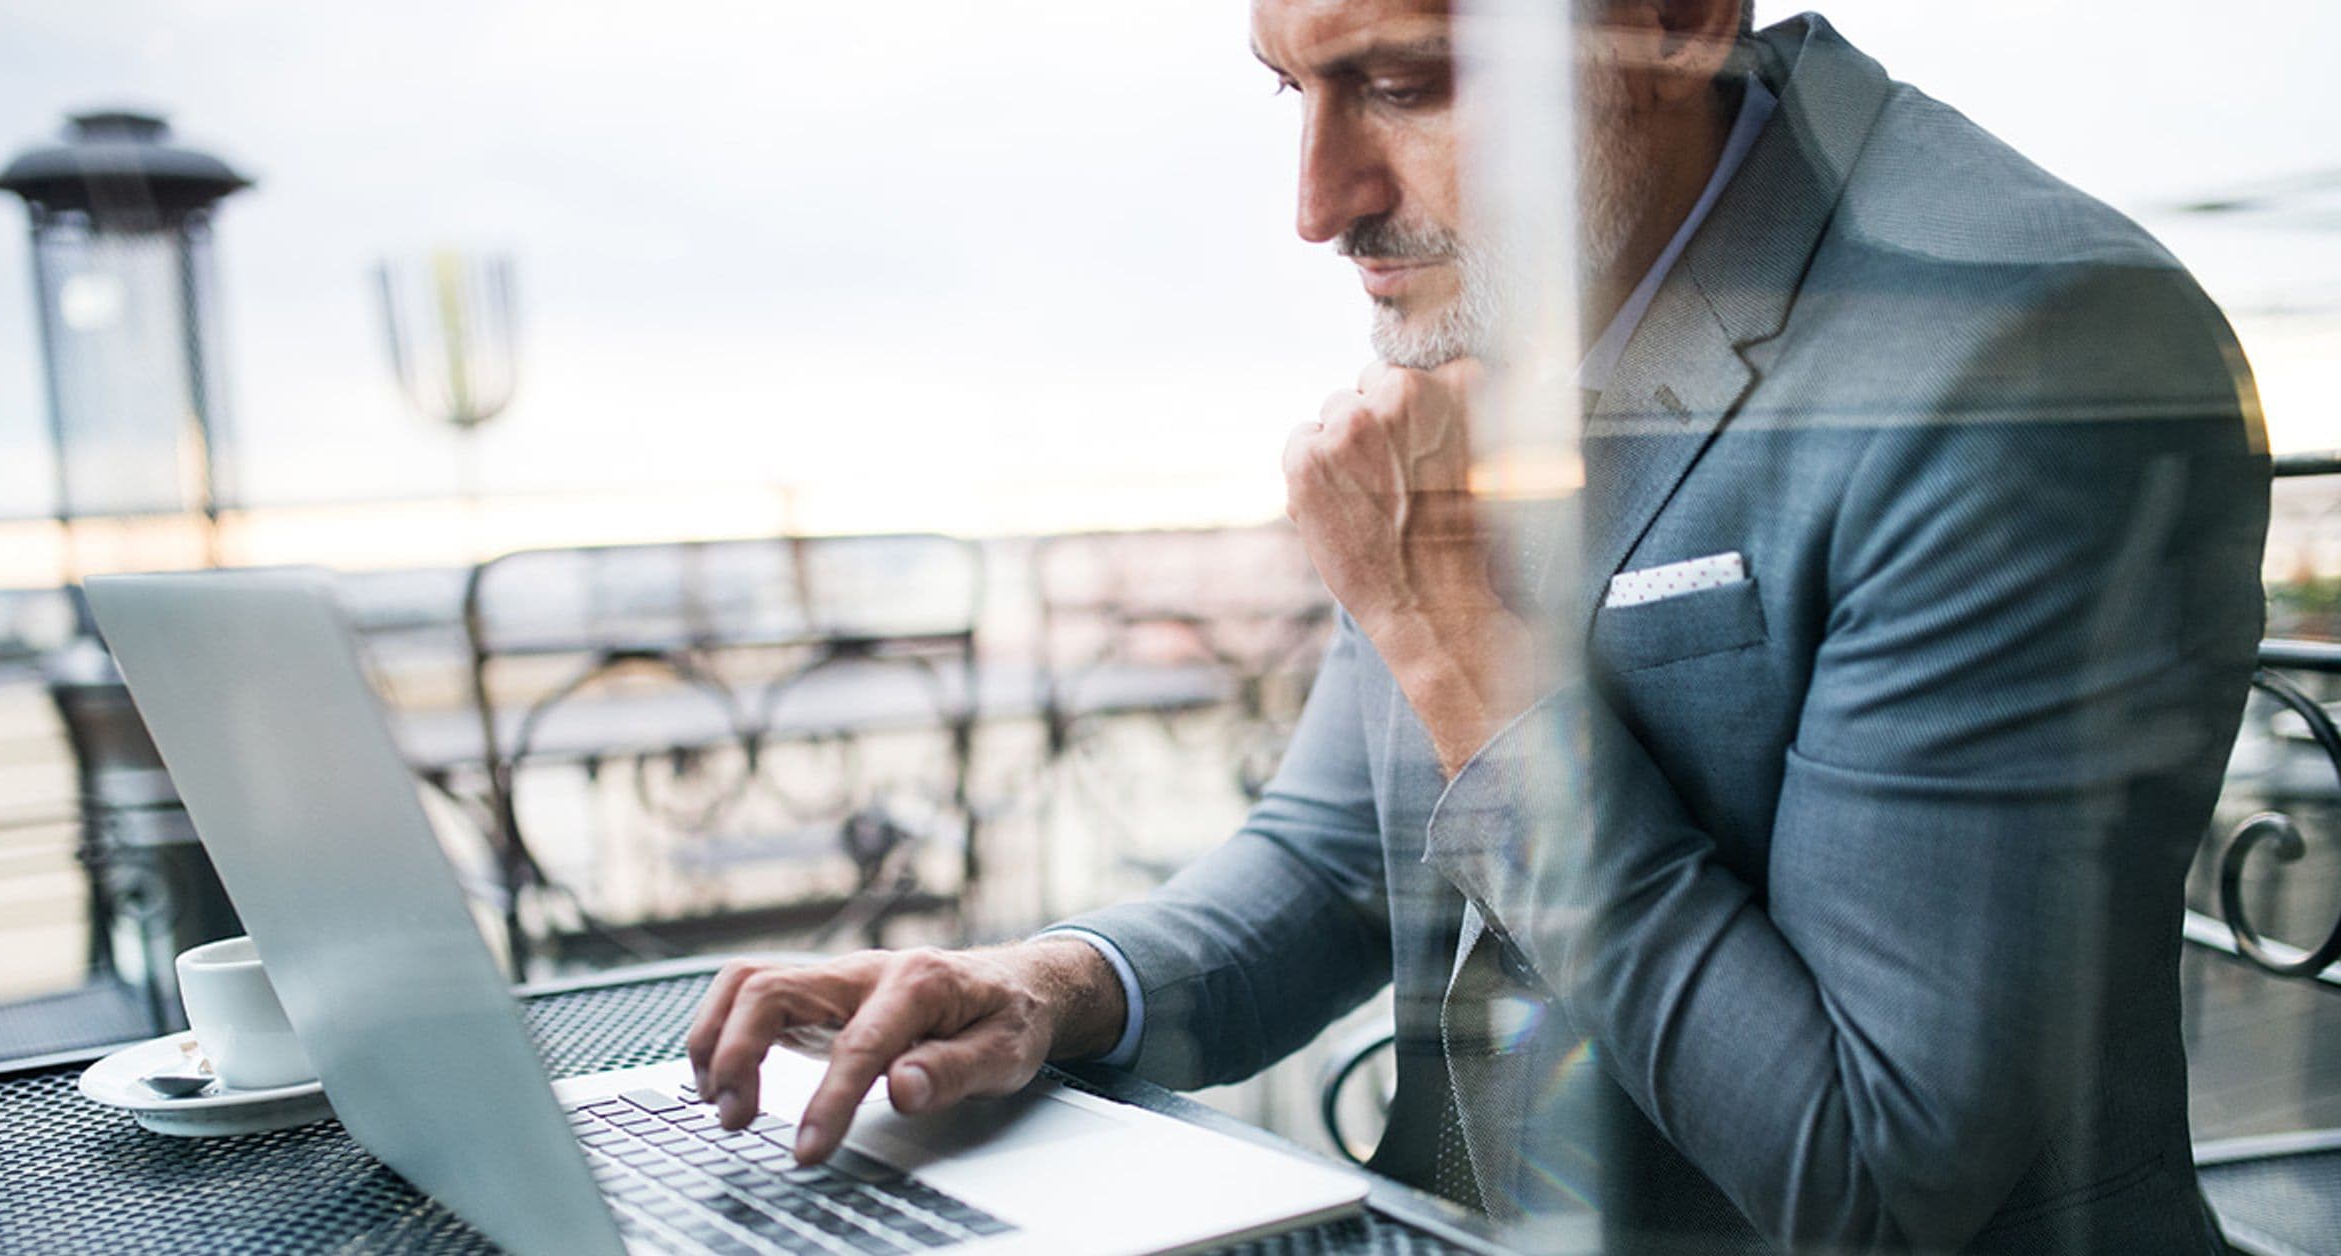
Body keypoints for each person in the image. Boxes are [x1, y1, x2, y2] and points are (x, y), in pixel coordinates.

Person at [687, 2, 2271, 1250]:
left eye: (1408, 81)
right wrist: (1049, 984)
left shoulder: (2021, 357)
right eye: (1287, 87)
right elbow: (1330, 861)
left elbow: (1865, 1179)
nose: (1320, 205)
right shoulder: (1535, 274)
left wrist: (1453, 651)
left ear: (1672, 17)